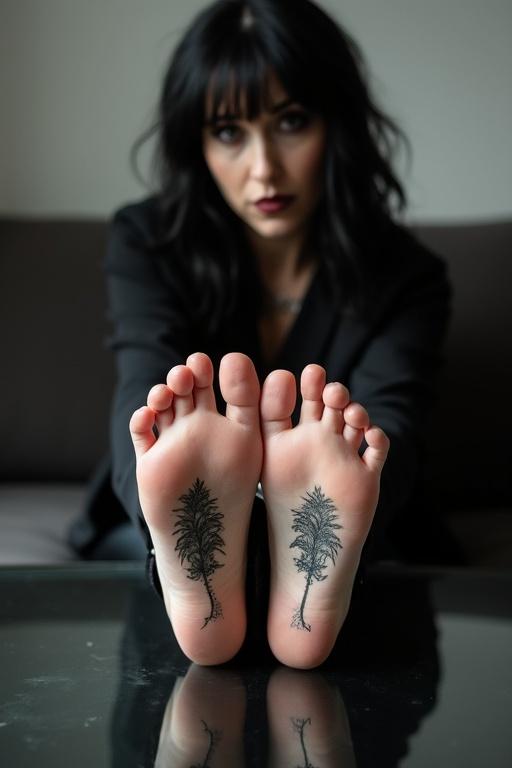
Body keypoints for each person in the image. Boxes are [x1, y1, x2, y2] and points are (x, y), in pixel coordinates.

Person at [70, 0, 451, 669]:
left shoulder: (406, 275)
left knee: (374, 456)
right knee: (156, 423)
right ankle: (218, 561)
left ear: (339, 123)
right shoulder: (150, 242)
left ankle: (271, 572)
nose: (264, 169)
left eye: (291, 122)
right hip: (167, 532)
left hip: (361, 535)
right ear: (197, 142)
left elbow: (397, 424)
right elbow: (144, 388)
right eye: (229, 131)